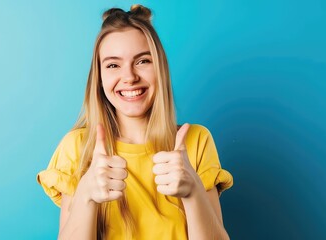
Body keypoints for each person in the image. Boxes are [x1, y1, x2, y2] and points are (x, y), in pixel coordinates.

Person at [37, 4, 233, 240]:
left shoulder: (197, 141)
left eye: (142, 61)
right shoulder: (77, 147)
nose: (129, 77)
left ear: (159, 69)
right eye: (112, 65)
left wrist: (193, 193)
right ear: (98, 79)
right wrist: (86, 195)